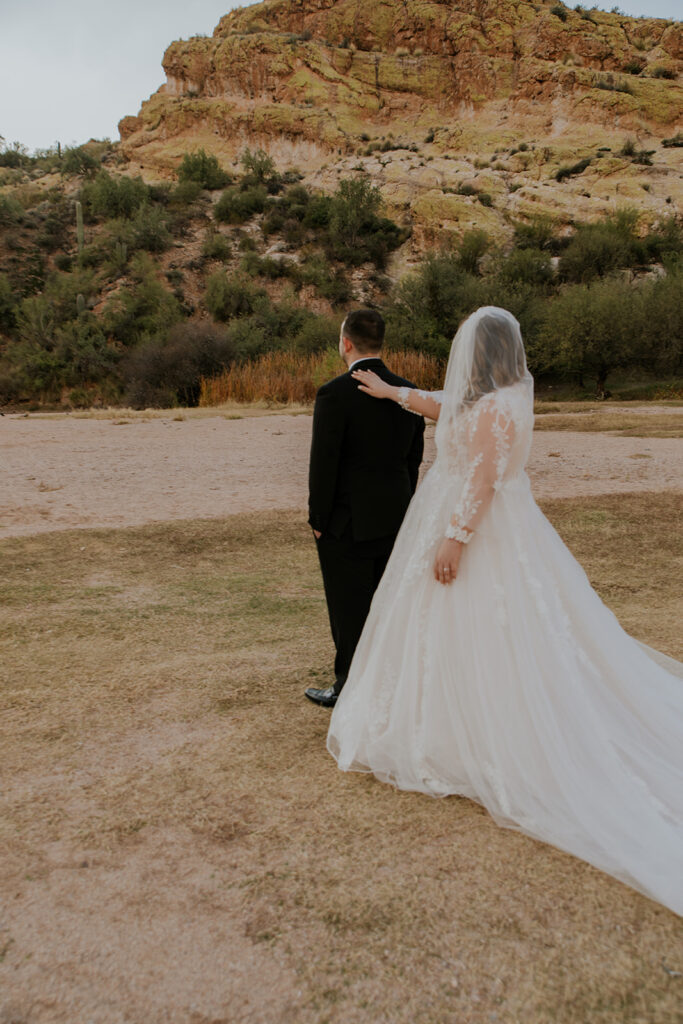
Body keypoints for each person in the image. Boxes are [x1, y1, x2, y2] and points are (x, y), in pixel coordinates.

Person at [327, 305, 683, 914]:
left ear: (481, 352)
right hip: (479, 522)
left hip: (480, 532)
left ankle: (480, 732)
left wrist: (455, 537)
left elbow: (484, 478)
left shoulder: (497, 408)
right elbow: (444, 407)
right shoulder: (493, 397)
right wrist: (394, 393)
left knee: (489, 623)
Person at [305, 309, 425, 708]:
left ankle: (348, 688)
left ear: (346, 343)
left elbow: (323, 465)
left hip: (346, 525)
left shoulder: (334, 393)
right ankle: (389, 684)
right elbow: (413, 460)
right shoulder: (408, 392)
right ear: (381, 343)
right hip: (396, 519)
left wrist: (319, 521)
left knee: (348, 609)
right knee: (387, 604)